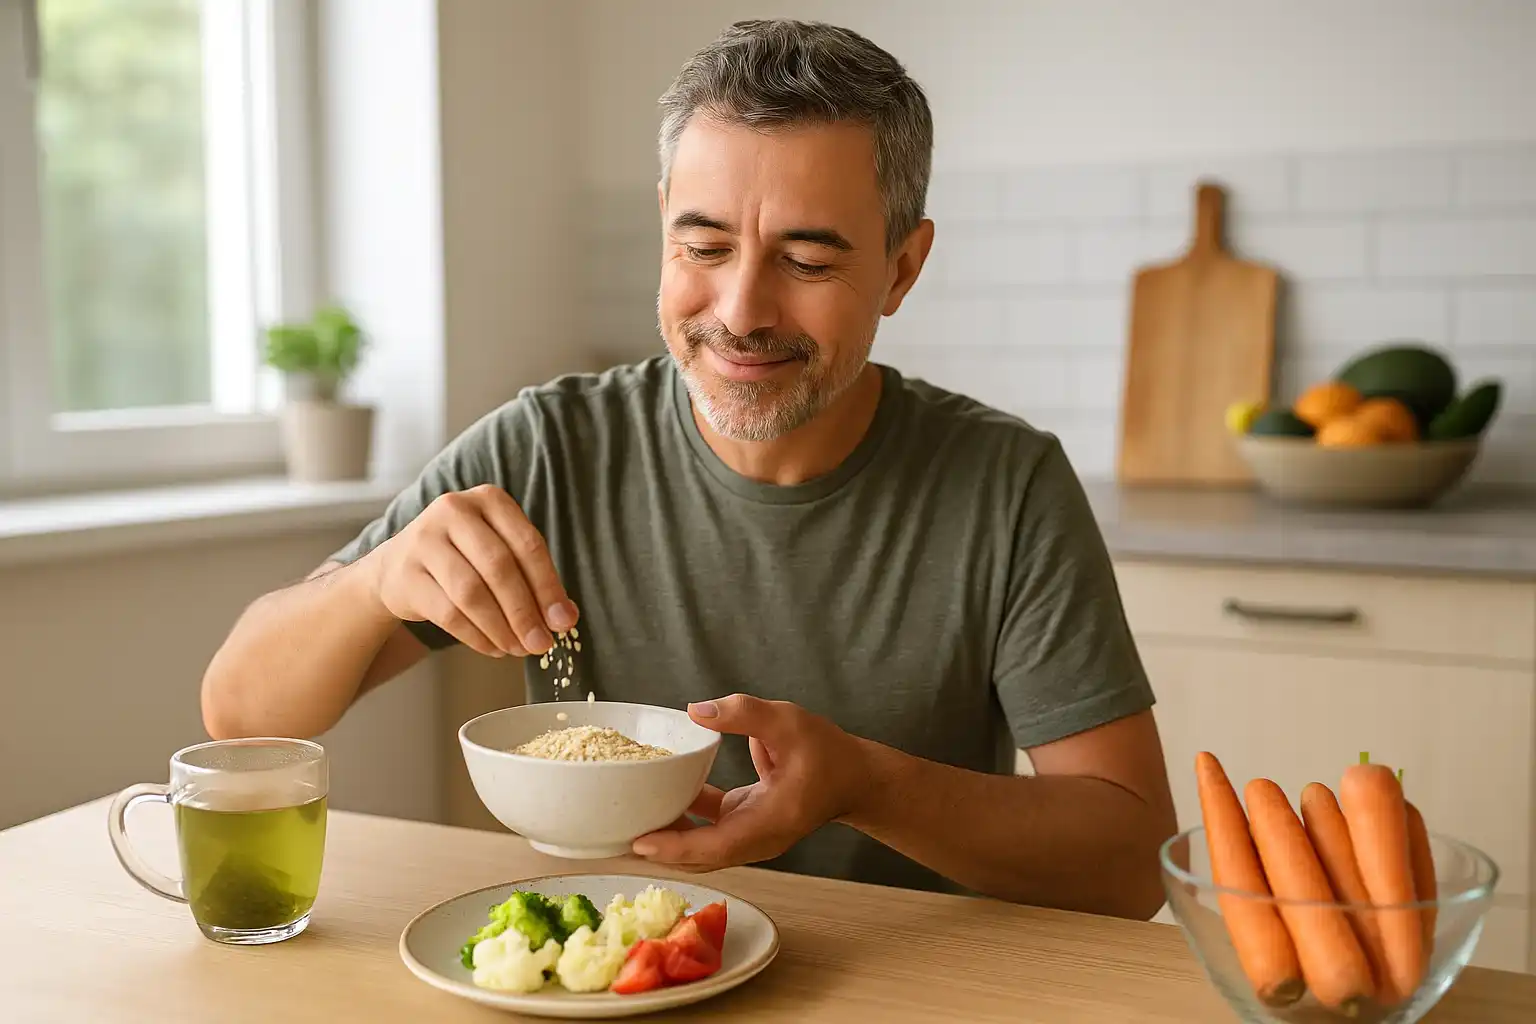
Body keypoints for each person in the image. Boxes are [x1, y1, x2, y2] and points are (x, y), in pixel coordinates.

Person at [202, 18, 1176, 920]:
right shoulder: (550, 449)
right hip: (615, 974)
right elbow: (241, 713)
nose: (742, 309)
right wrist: (376, 580)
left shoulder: (1007, 487)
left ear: (902, 267)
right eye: (703, 244)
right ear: (665, 219)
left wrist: (867, 787)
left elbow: (1131, 865)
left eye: (806, 261)